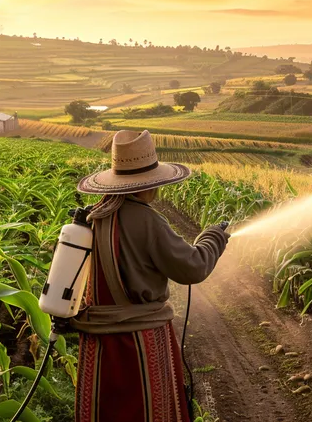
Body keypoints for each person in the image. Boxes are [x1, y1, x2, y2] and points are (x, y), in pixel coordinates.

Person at [72, 130, 230, 422]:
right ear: (148, 184)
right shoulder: (146, 220)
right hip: (138, 340)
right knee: (146, 409)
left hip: (99, 343)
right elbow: (193, 268)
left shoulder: (97, 215)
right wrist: (213, 237)